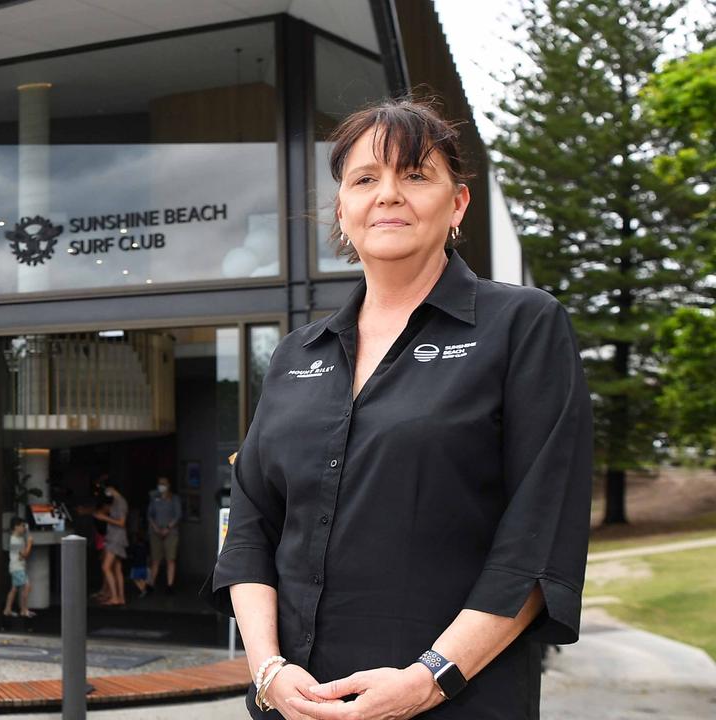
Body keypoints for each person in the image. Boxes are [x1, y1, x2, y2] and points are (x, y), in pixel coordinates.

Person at [204, 99, 592, 720]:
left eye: (415, 175)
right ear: (343, 209)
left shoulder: (522, 326)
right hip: (295, 708)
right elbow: (251, 527)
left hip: (457, 701)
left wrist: (430, 678)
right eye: (365, 179)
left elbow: (539, 537)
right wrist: (269, 672)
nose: (388, 195)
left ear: (458, 204)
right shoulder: (293, 356)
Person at [92, 480, 129, 607]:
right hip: (114, 537)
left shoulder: (121, 502)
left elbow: (122, 523)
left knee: (106, 567)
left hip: (116, 538)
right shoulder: (116, 502)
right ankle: (120, 597)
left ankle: (114, 597)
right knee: (117, 568)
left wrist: (104, 518)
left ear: (112, 489)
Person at [147, 476, 183, 592]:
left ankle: (170, 585)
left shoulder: (174, 499)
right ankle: (150, 584)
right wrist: (155, 528)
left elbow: (178, 515)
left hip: (171, 532)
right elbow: (150, 515)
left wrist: (168, 528)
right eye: (160, 484)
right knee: (155, 559)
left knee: (170, 559)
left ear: (168, 485)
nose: (161, 486)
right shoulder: (154, 499)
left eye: (164, 484)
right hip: (155, 532)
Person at [4, 517, 35, 618]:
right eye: (22, 526)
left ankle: (7, 609)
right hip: (17, 568)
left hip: (16, 567)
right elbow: (24, 555)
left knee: (14, 589)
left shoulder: (18, 537)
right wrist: (30, 544)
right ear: (16, 527)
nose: (24, 528)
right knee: (27, 586)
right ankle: (24, 610)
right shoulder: (15, 541)